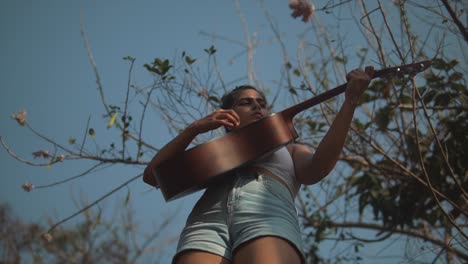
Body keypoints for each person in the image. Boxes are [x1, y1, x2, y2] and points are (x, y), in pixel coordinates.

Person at [144, 66, 374, 264]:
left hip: (267, 212)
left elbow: (317, 168)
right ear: (227, 113)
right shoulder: (212, 154)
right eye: (246, 102)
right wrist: (194, 129)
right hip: (207, 220)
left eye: (262, 103)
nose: (257, 107)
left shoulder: (289, 148)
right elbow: (154, 175)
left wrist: (350, 101)